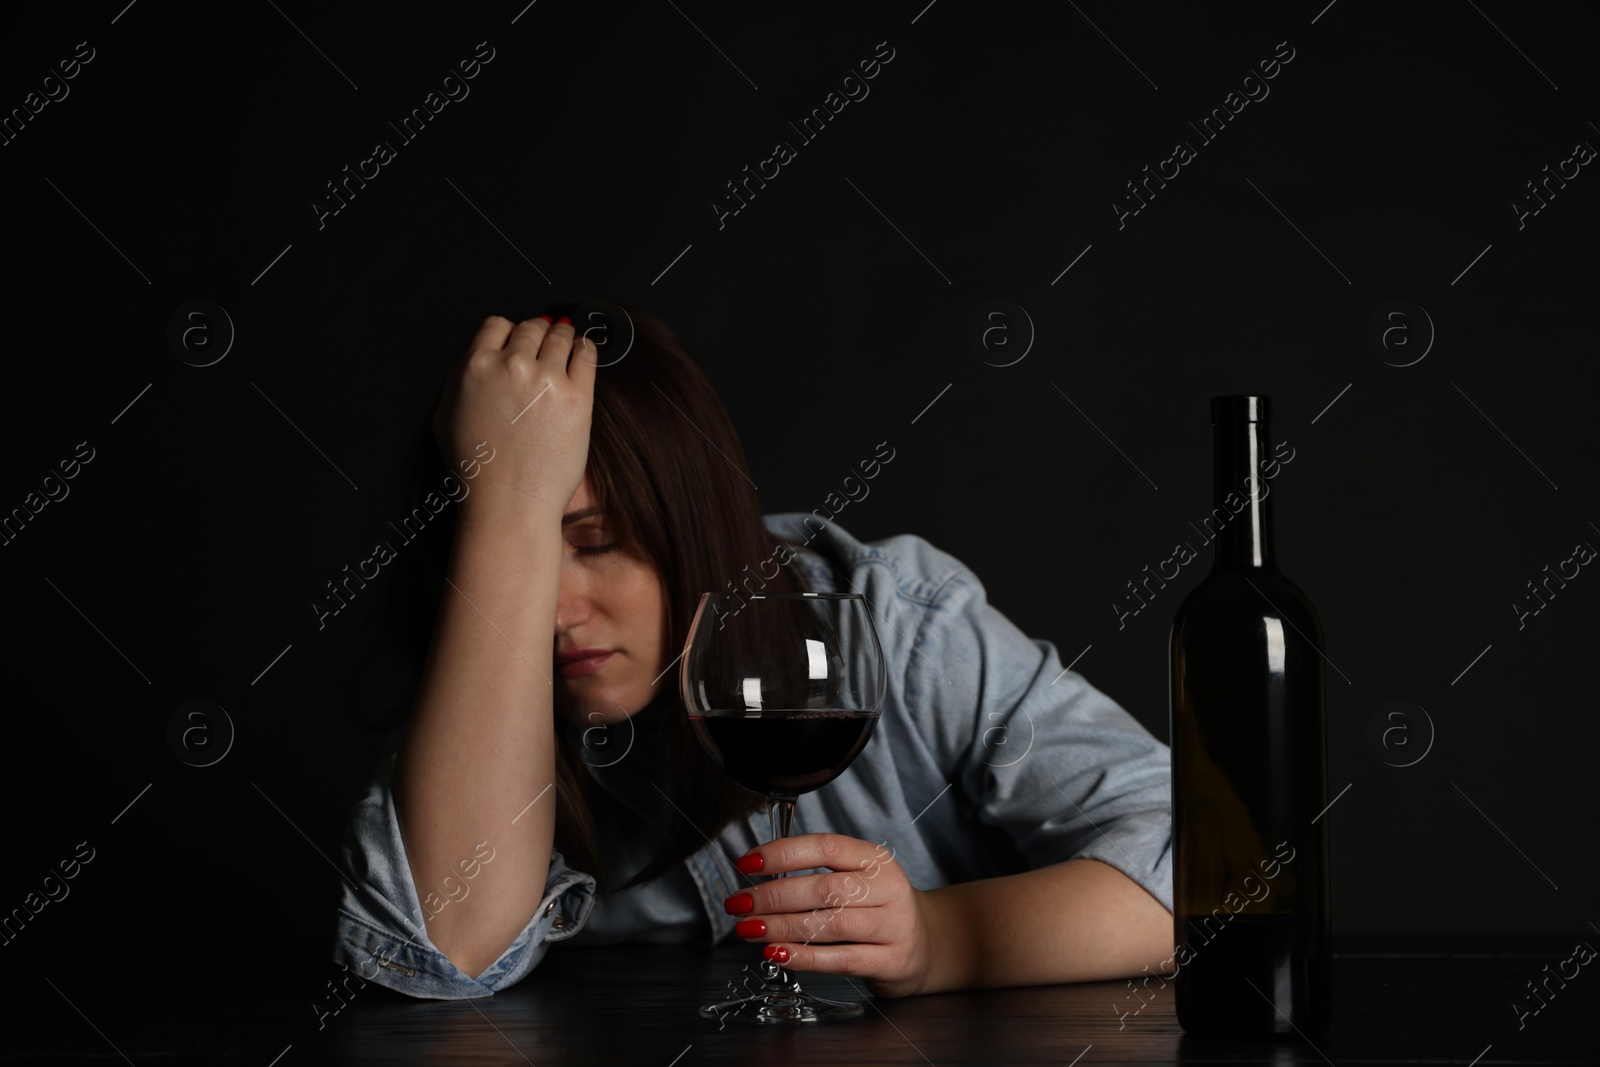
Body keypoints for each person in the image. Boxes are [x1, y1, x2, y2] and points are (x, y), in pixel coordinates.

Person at [332, 302, 1175, 1000]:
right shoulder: (476, 675)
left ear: (694, 524)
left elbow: (1208, 867)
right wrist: (503, 508)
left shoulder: (895, 622)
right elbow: (445, 948)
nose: (552, 609)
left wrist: (937, 940)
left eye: (599, 542)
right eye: (516, 556)